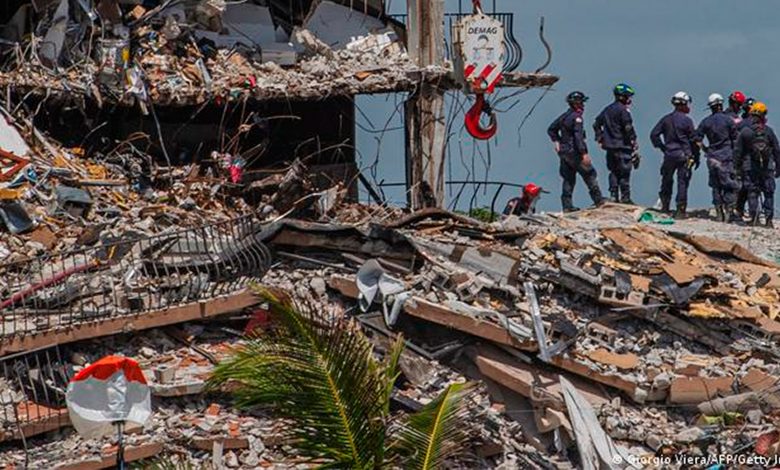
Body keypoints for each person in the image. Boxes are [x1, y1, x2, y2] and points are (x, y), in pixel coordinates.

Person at [547, 91, 605, 212]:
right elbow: (578, 138)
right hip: (575, 153)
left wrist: (557, 142)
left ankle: (567, 206)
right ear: (576, 104)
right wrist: (584, 154)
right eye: (581, 103)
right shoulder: (577, 118)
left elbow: (551, 129)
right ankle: (599, 201)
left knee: (568, 179)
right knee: (590, 174)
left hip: (564, 153)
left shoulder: (564, 116)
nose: (583, 105)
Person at [650, 91, 700, 218]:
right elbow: (694, 140)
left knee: (666, 180)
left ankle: (665, 207)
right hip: (684, 155)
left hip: (669, 155)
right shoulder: (687, 121)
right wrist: (696, 156)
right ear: (684, 104)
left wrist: (662, 147)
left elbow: (654, 134)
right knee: (682, 182)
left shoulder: (666, 119)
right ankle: (680, 211)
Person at [734, 102, 780, 228]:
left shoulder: (746, 132)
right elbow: (777, 150)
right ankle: (769, 221)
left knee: (752, 192)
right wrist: (778, 167)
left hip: (750, 167)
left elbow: (738, 151)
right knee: (768, 192)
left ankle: (754, 219)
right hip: (767, 167)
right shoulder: (769, 131)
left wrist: (737, 168)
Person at [695, 93, 739, 222]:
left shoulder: (705, 122)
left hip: (712, 157)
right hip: (726, 157)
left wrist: (706, 149)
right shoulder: (728, 120)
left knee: (716, 186)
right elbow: (735, 139)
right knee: (729, 185)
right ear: (721, 105)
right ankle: (729, 212)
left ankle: (719, 213)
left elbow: (697, 139)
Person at [593, 83, 639, 204]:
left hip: (610, 147)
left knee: (613, 171)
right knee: (624, 173)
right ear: (622, 97)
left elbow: (596, 124)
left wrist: (600, 138)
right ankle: (625, 197)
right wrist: (633, 141)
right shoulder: (624, 111)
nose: (630, 99)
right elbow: (628, 128)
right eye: (628, 96)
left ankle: (613, 195)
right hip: (623, 146)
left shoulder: (607, 109)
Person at [735, 97, 757, 218]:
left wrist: (736, 162)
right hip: (758, 161)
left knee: (743, 186)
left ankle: (739, 210)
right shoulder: (760, 125)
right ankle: (755, 214)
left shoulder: (741, 125)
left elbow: (737, 146)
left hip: (745, 160)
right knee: (754, 188)